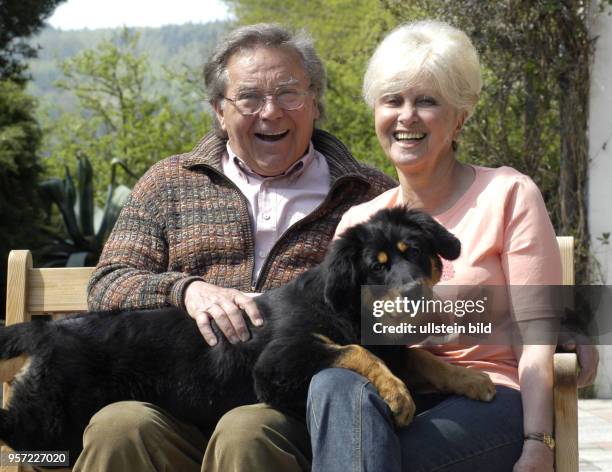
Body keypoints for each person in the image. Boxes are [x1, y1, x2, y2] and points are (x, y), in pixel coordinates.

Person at [79, 23, 395, 472]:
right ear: (219, 111)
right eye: (249, 97)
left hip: (289, 409)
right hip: (177, 398)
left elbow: (397, 304)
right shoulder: (169, 183)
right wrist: (187, 291)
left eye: (289, 93)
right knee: (119, 425)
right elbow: (108, 285)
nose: (271, 112)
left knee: (246, 431)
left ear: (315, 103)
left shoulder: (367, 194)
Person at [306, 20, 599, 472]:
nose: (406, 116)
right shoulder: (359, 225)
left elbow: (535, 336)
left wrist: (539, 442)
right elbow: (334, 329)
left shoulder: (508, 195)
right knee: (334, 387)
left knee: (372, 455)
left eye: (427, 101)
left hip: (491, 398)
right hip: (392, 396)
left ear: (460, 114)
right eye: (392, 100)